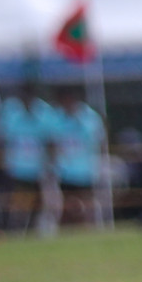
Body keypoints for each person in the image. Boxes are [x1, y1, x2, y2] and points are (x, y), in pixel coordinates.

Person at [0, 85, 55, 232]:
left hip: (37, 168)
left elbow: (51, 141)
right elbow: (0, 138)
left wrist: (50, 165)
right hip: (15, 167)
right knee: (16, 202)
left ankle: (34, 228)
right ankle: (14, 229)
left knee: (38, 202)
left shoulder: (44, 112)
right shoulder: (9, 111)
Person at [50, 88, 107, 227]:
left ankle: (90, 227)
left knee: (88, 202)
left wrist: (100, 163)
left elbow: (100, 141)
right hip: (65, 170)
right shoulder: (56, 118)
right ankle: (68, 228)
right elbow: (51, 143)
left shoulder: (89, 117)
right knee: (68, 203)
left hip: (86, 169)